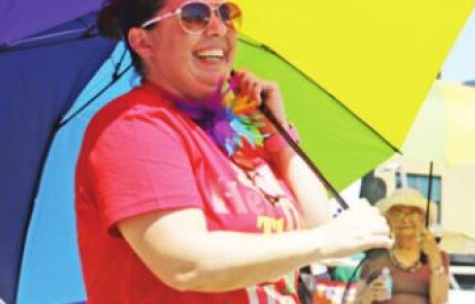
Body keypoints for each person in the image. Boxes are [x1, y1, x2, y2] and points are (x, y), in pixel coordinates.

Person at [75, 0, 392, 303]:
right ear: (143, 41)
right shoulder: (135, 126)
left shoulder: (238, 136)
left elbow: (316, 223)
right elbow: (187, 263)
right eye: (195, 15)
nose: (218, 28)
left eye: (226, 13)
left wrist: (275, 130)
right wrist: (324, 241)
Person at [354, 188, 449, 304]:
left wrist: (434, 256)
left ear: (423, 220)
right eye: (398, 213)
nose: (405, 219)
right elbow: (356, 301)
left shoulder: (439, 257)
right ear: (388, 221)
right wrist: (367, 297)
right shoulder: (375, 256)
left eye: (413, 213)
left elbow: (439, 301)